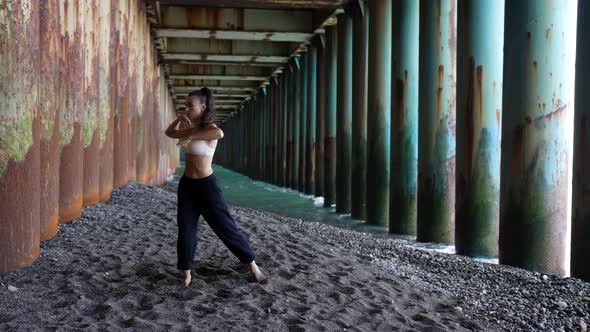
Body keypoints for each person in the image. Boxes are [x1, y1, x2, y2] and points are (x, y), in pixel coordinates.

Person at [164, 87, 267, 287]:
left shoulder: (209, 130)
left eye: (190, 106)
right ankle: (186, 273)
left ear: (203, 107)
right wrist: (180, 120)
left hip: (207, 186)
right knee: (186, 228)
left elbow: (219, 132)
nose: (187, 108)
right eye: (186, 105)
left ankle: (252, 266)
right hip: (187, 186)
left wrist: (189, 137)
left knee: (224, 227)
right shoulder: (191, 128)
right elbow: (169, 132)